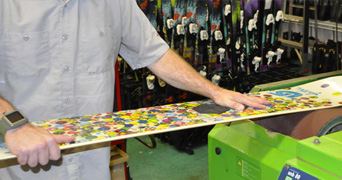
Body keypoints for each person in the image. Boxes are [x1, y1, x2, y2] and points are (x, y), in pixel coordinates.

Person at [0, 0, 268, 179]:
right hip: (17, 166)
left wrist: (214, 91)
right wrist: (15, 125)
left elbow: (155, 54)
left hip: (90, 166)